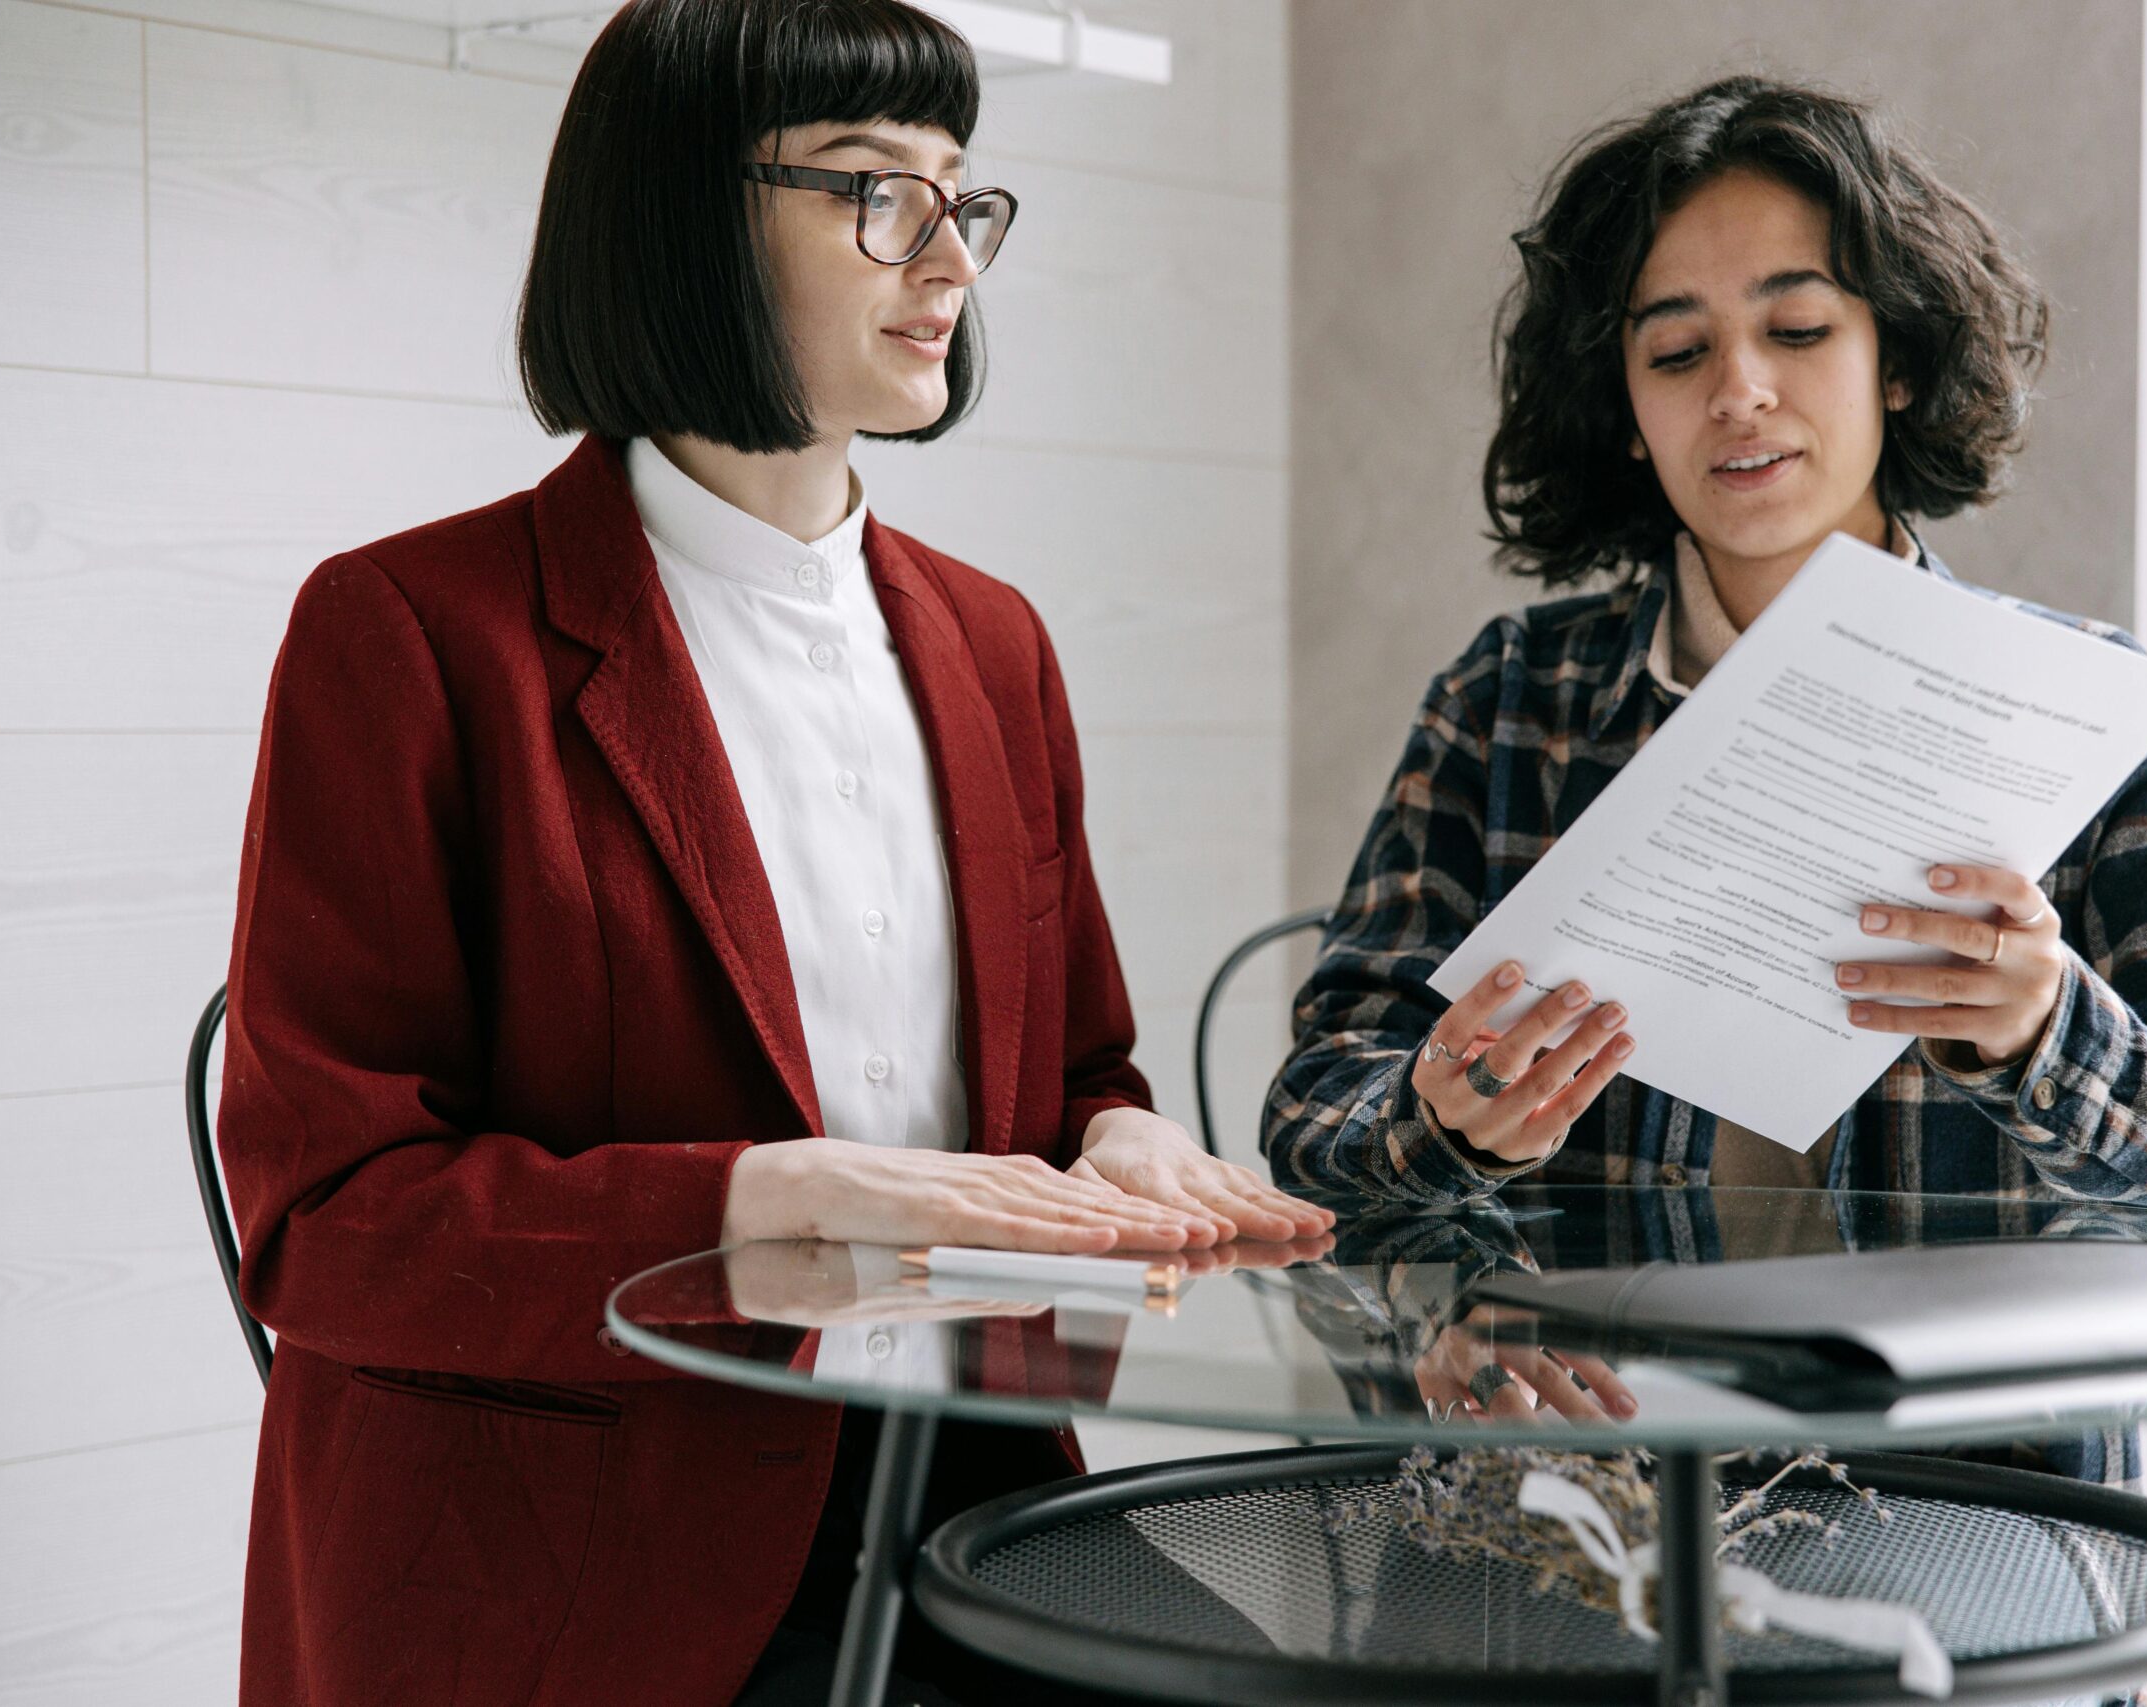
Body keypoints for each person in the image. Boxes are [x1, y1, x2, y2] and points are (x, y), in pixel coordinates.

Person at [216, 2, 1327, 1702]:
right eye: (877, 191)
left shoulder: (996, 643)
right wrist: (762, 1204)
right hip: (575, 1562)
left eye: (966, 196)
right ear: (686, 216)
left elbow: (1076, 1065)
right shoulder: (411, 633)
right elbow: (329, 1220)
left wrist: (1116, 1141)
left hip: (961, 1504)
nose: (949, 254)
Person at [1267, 75, 2147, 1274]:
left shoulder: (2101, 722)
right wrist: (1439, 1122)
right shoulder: (1507, 704)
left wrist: (2051, 1035)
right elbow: (1314, 1110)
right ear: (1626, 411)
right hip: (1596, 1448)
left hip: (1964, 1458)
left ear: (1895, 359)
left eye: (1797, 332)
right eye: (1678, 351)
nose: (1739, 391)